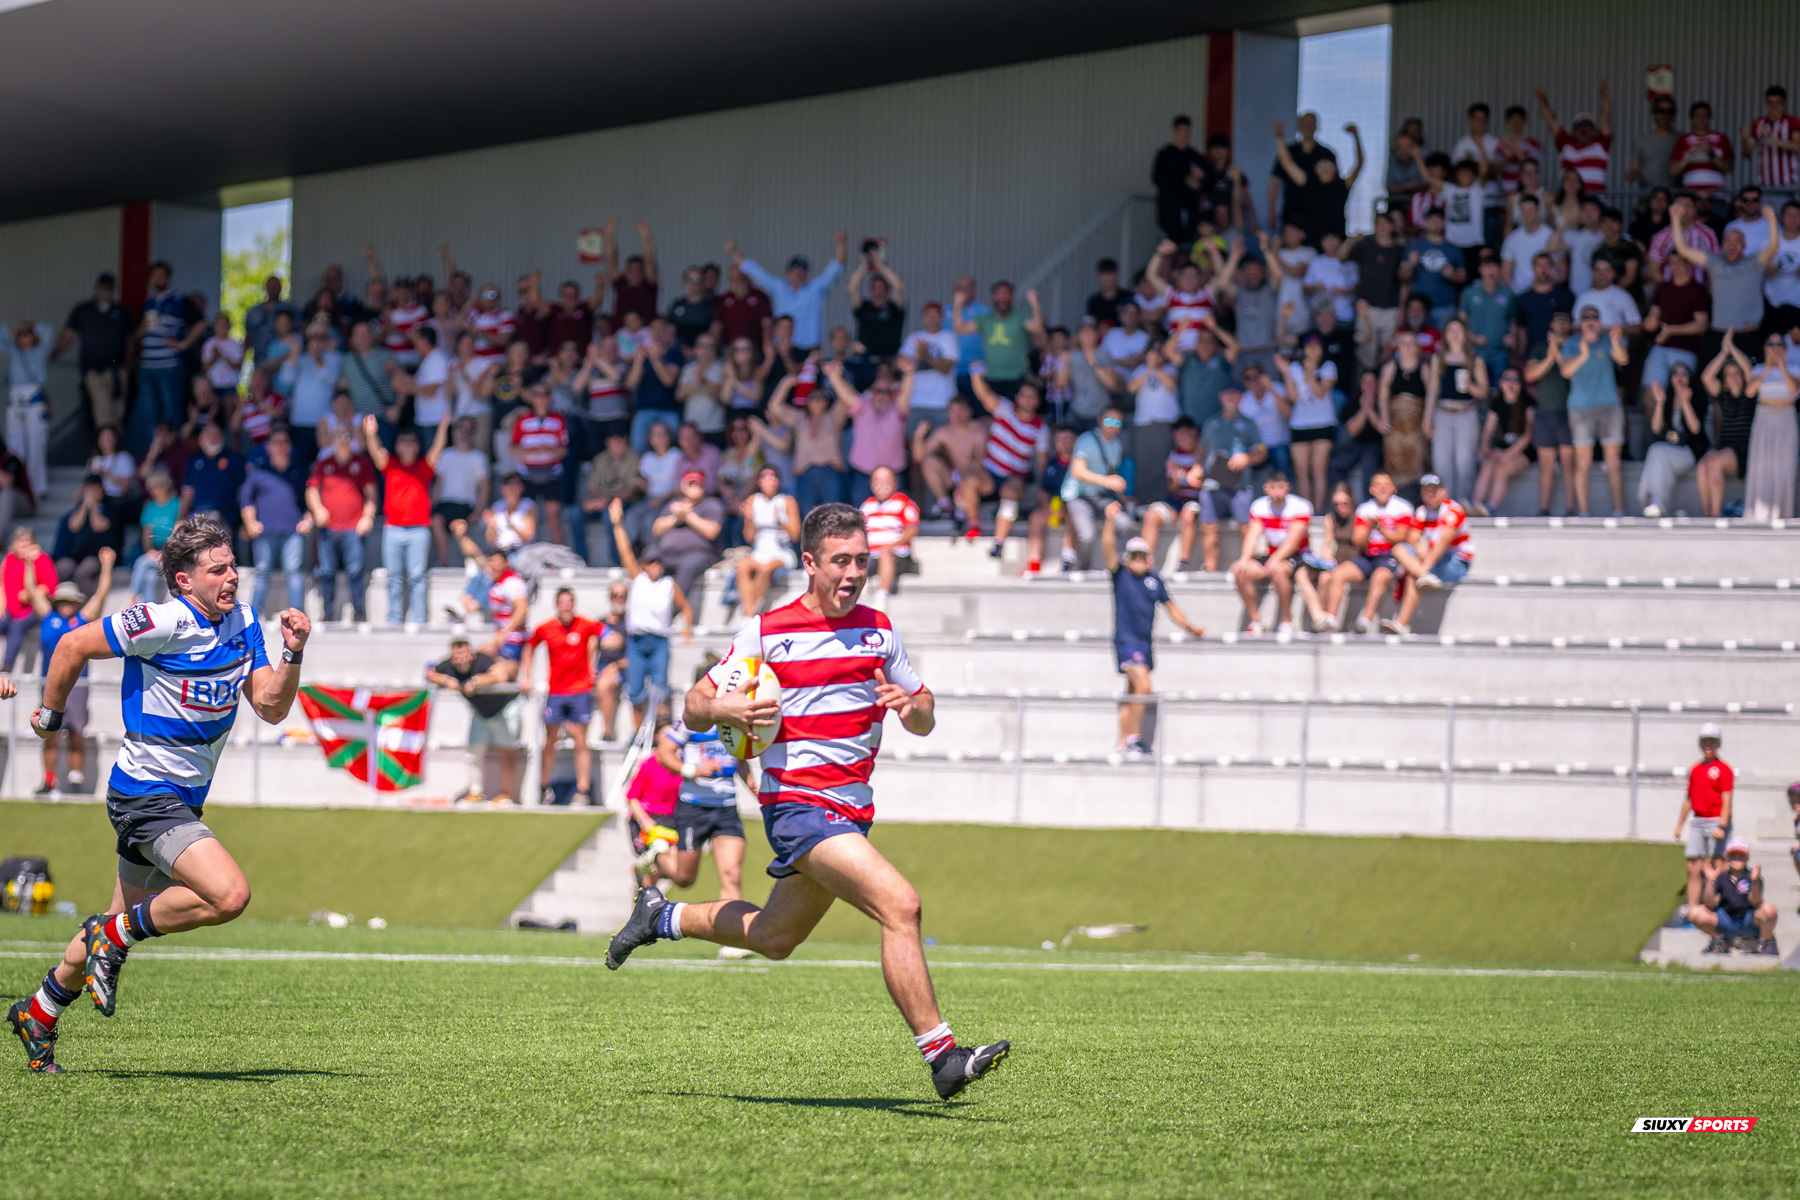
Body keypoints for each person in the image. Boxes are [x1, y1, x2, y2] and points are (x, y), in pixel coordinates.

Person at [604, 503, 1011, 1101]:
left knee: (775, 937)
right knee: (901, 905)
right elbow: (694, 703)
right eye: (840, 561)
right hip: (798, 807)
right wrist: (725, 710)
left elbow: (924, 717)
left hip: (851, 812)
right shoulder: (767, 632)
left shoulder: (879, 629)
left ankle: (659, 916)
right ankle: (942, 1055)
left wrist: (912, 705)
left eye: (862, 562)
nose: (852, 574)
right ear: (810, 563)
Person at [6, 516, 308, 1074]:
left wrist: (292, 653)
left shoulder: (243, 622)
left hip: (181, 799)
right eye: (217, 569)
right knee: (228, 896)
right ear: (184, 580)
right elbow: (72, 644)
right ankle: (113, 936)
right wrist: (49, 718)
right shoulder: (159, 620)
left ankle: (40, 1012)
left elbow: (269, 705)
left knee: (122, 914)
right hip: (145, 795)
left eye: (233, 566)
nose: (232, 577)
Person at [1101, 503, 1203, 757]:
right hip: (1126, 641)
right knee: (1144, 686)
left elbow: (1171, 606)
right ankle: (1135, 738)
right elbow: (1106, 548)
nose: (1138, 560)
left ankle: (1120, 743)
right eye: (1134, 556)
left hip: (1145, 643)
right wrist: (1109, 522)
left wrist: (1189, 626)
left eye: (1142, 556)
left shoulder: (1154, 580)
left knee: (1132, 693)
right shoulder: (1121, 576)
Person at [652, 715, 754, 944]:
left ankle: (731, 942)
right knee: (684, 879)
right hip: (693, 808)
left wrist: (755, 787)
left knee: (732, 874)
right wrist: (692, 770)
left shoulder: (736, 722)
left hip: (726, 807)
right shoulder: (690, 721)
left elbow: (741, 762)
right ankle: (658, 858)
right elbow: (664, 753)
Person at [22, 545, 113, 796]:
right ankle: (49, 780)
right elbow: (32, 590)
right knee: (49, 732)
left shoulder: (83, 619)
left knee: (75, 732)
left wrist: (106, 566)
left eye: (70, 601)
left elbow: (102, 595)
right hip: (50, 683)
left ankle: (75, 780)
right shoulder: (49, 618)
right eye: (62, 600)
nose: (65, 605)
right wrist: (30, 563)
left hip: (78, 684)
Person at [516, 588, 607, 807]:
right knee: (550, 740)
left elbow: (609, 636)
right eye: (562, 603)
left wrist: (599, 664)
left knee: (581, 739)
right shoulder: (546, 628)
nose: (566, 607)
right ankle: (544, 786)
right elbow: (529, 647)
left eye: (569, 602)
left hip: (580, 690)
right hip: (556, 691)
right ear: (557, 605)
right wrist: (526, 676)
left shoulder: (585, 625)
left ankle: (582, 790)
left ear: (573, 604)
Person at [609, 497, 694, 727]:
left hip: (659, 641)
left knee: (661, 689)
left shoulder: (668, 585)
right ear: (644, 564)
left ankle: (661, 732)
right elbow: (624, 549)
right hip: (637, 641)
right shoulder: (638, 579)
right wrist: (618, 524)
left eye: (658, 562)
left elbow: (685, 607)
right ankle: (638, 732)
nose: (655, 565)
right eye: (650, 562)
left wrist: (686, 629)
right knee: (635, 690)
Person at [362, 415, 447, 626]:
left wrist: (444, 426)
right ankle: (394, 618)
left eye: (412, 442)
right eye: (404, 442)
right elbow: (376, 452)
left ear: (418, 446)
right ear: (397, 446)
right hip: (393, 529)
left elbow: (437, 448)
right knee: (394, 578)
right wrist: (371, 434)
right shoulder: (391, 465)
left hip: (419, 529)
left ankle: (418, 619)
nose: (408, 445)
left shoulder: (424, 466)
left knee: (418, 577)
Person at [426, 635, 522, 806]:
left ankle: (506, 794)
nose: (461, 660)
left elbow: (501, 675)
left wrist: (477, 681)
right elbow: (430, 674)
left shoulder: (482, 660)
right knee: (473, 753)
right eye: (457, 657)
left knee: (506, 750)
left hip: (504, 708)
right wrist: (446, 680)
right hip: (480, 713)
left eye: (464, 655)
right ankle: (476, 792)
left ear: (471, 654)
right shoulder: (448, 666)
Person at [965, 370, 1050, 552]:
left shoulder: (1041, 429)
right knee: (969, 481)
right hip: (990, 473)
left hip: (1015, 477)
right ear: (1017, 397)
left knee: (1011, 493)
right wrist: (975, 375)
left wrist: (1044, 490)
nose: (1027, 400)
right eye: (1024, 395)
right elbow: (984, 395)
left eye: (1031, 396)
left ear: (1037, 401)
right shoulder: (1004, 408)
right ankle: (973, 524)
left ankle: (998, 542)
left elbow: (1042, 463)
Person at [1320, 472, 1413, 633]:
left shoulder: (1402, 507)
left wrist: (1381, 528)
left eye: (1386, 486)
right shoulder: (1365, 508)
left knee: (1380, 576)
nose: (1382, 489)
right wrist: (1369, 528)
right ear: (1372, 489)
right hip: (1369, 555)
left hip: (1391, 556)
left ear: (1393, 488)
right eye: (1378, 486)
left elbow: (1400, 537)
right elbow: (1357, 541)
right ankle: (1331, 619)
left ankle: (1365, 620)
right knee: (1339, 574)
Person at [1560, 308, 1630, 517]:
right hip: (1581, 408)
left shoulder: (1607, 339)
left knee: (1613, 460)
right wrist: (1583, 354)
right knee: (1582, 461)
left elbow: (1623, 359)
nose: (1591, 322)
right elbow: (1565, 371)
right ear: (1579, 322)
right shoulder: (1572, 343)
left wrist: (1617, 342)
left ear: (1599, 321)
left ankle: (1619, 510)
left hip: (1609, 405)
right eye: (1586, 318)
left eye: (1594, 318)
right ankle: (1584, 512)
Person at [237, 427, 312, 617]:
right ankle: (254, 616)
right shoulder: (258, 471)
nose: (280, 447)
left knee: (294, 572)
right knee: (262, 572)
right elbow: (246, 499)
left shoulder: (299, 470)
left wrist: (309, 518)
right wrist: (250, 522)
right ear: (268, 447)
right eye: (276, 443)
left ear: (289, 446)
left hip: (293, 531)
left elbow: (310, 497)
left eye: (284, 442)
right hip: (265, 531)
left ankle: (298, 615)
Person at [304, 425, 376, 623]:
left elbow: (370, 492)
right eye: (338, 437)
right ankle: (327, 614)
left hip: (353, 527)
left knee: (355, 572)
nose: (342, 440)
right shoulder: (324, 463)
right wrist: (318, 509)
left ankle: (359, 613)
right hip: (329, 528)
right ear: (333, 440)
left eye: (346, 436)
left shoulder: (361, 463)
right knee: (326, 572)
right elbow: (311, 490)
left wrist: (368, 516)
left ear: (351, 439)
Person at [727, 233, 847, 351]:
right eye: (796, 270)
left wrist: (842, 243)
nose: (800, 274)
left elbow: (837, 267)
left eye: (804, 270)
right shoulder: (779, 288)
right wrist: (733, 251)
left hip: (809, 349)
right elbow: (754, 271)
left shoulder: (816, 289)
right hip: (782, 348)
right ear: (788, 273)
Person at [1385, 474, 1474, 635]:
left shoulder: (1453, 510)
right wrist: (1420, 549)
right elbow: (1412, 538)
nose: (1430, 495)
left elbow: (1443, 544)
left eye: (1434, 491)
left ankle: (1402, 621)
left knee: (1414, 574)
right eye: (1427, 491)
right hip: (1435, 559)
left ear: (1443, 492)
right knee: (1399, 549)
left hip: (1455, 561)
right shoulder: (1422, 511)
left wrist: (1424, 565)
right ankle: (1401, 624)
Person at [447, 520, 530, 683]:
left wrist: (505, 632)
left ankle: (477, 682)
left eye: (496, 562)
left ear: (506, 564)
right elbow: (475, 554)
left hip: (515, 638)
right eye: (490, 561)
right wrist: (461, 536)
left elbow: (522, 609)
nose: (491, 565)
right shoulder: (494, 576)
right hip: (502, 636)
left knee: (503, 672)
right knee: (473, 657)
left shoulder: (511, 583)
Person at [1231, 471, 1309, 635]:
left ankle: (1286, 620)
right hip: (1272, 554)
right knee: (1239, 570)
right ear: (1266, 488)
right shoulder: (1259, 506)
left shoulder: (1300, 506)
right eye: (1273, 488)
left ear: (1288, 488)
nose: (1277, 492)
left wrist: (1275, 559)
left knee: (1277, 569)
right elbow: (1252, 535)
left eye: (1280, 488)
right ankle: (1256, 621)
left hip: (1296, 556)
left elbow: (1293, 542)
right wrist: (1244, 559)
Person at [1195, 388, 1266, 573]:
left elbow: (1261, 450)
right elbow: (1201, 449)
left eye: (1235, 394)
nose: (1231, 398)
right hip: (1213, 484)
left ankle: (1246, 567)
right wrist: (1196, 467)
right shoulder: (1211, 423)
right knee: (1209, 527)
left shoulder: (1248, 423)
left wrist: (1247, 458)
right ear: (1220, 396)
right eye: (1227, 394)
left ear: (1241, 397)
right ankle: (1210, 569)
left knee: (1245, 526)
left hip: (1239, 484)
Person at [54, 272, 133, 433]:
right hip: (94, 370)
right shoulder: (83, 310)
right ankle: (104, 452)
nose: (106, 290)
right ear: (96, 288)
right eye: (103, 287)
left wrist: (127, 362)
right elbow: (68, 334)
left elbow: (130, 339)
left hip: (118, 371)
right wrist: (54, 353)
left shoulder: (122, 311)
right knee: (103, 412)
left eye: (109, 287)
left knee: (119, 413)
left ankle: (116, 451)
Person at [1424, 318, 1488, 506]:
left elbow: (1483, 392)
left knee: (1465, 463)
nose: (1454, 334)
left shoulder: (1474, 359)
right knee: (1442, 464)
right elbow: (1433, 390)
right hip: (1443, 413)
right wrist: (1427, 419)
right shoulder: (1438, 358)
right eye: (1450, 329)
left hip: (1466, 413)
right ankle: (1445, 505)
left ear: (1466, 334)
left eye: (1459, 329)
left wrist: (1470, 386)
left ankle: (1463, 504)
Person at [1695, 333, 1758, 518]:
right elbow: (1707, 377)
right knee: (1701, 466)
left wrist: (1732, 348)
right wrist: (1723, 353)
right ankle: (1707, 514)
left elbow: (1748, 368)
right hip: (1725, 446)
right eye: (1729, 374)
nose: (1733, 377)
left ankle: (1716, 515)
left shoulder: (1750, 394)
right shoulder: (1723, 395)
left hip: (1742, 450)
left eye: (1736, 373)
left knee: (1714, 463)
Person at [1674, 723, 1733, 915]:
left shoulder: (1724, 768)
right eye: (1706, 741)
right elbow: (1689, 799)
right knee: (1693, 866)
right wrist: (1679, 825)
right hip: (1698, 822)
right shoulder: (1696, 768)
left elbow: (1727, 799)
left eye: (1712, 741)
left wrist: (1722, 826)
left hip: (1716, 820)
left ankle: (1724, 907)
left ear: (1718, 744)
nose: (1709, 745)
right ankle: (1693, 910)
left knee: (1720, 865)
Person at [1639, 363, 1708, 518]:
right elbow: (1656, 429)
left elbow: (1695, 429)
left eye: (1684, 373)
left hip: (1691, 451)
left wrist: (1685, 402)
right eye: (1675, 373)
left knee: (1658, 451)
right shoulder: (1667, 398)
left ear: (1690, 378)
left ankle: (1654, 501)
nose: (1680, 377)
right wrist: (1660, 403)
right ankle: (1655, 501)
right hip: (1670, 450)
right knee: (1657, 451)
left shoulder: (1698, 397)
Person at [1692, 840, 1779, 956]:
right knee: (1695, 912)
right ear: (1727, 857)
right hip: (1727, 920)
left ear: (1747, 857)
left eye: (1741, 855)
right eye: (1733, 855)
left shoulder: (1752, 876)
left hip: (1748, 921)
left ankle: (1765, 943)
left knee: (1769, 909)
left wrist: (1754, 882)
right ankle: (1720, 940)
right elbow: (1709, 903)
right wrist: (1711, 880)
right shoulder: (1722, 877)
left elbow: (1755, 901)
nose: (1737, 858)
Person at [1471, 366, 1536, 517]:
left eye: (1515, 380)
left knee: (1501, 469)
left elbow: (1528, 435)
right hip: (1502, 450)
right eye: (1507, 379)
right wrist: (1485, 447)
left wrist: (1508, 454)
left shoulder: (1527, 403)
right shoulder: (1497, 404)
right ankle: (1475, 506)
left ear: (1521, 384)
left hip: (1523, 452)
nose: (1511, 384)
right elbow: (1488, 430)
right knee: (1487, 465)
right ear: (1501, 383)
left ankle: (1491, 508)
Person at [736, 466, 800, 618]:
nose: (770, 480)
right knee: (742, 566)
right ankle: (750, 613)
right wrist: (749, 519)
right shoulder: (753, 500)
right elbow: (749, 537)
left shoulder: (787, 501)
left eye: (774, 476)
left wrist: (780, 521)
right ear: (759, 481)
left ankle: (748, 614)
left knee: (765, 569)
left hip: (780, 550)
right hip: (760, 548)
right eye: (766, 476)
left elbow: (795, 535)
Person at [1535, 82, 1613, 193]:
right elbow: (1550, 120)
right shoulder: (1566, 143)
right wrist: (1542, 99)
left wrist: (1605, 94)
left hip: (1595, 203)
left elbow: (1606, 115)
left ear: (1594, 131)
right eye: (1579, 126)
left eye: (1588, 126)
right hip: (1569, 201)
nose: (1583, 129)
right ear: (1573, 131)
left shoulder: (1601, 143)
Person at [860, 466, 920, 603]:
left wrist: (890, 546)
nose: (882, 486)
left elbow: (912, 530)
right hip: (871, 555)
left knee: (885, 553)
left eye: (886, 481)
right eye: (877, 481)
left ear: (895, 483)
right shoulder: (866, 506)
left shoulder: (903, 502)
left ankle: (882, 597)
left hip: (898, 554)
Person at [1153, 115, 1205, 244]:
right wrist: (1185, 180)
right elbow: (1157, 178)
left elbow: (1205, 182)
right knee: (1168, 252)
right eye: (1182, 130)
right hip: (1169, 215)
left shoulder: (1195, 156)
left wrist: (1199, 180)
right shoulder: (1165, 155)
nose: (1185, 134)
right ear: (1175, 131)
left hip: (1191, 217)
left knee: (1187, 252)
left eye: (1187, 130)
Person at [130, 469, 180, 604]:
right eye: (153, 487)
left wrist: (165, 553)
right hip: (154, 550)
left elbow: (178, 533)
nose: (156, 490)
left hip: (172, 551)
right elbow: (146, 535)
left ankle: (131, 599)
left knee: (141, 563)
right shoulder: (149, 508)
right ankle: (149, 608)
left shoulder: (177, 504)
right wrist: (149, 551)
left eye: (160, 486)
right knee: (151, 577)